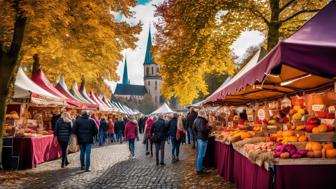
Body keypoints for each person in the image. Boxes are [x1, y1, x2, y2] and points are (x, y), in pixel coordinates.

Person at [192, 110, 210, 175]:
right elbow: (202, 129)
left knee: (200, 154)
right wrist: (209, 129)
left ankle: (200, 168)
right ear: (203, 114)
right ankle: (199, 170)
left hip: (199, 138)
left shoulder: (196, 120)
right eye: (205, 114)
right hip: (202, 138)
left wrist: (196, 135)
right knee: (201, 155)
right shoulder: (202, 120)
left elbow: (193, 128)